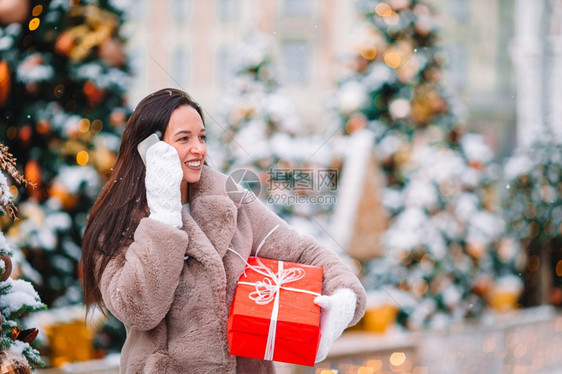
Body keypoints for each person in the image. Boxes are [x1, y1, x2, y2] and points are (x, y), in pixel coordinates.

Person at [81, 88, 366, 373]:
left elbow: (301, 249)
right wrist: (164, 217)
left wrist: (343, 291)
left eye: (202, 137)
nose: (199, 149)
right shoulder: (117, 222)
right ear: (150, 147)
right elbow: (139, 310)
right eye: (184, 138)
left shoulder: (230, 199)